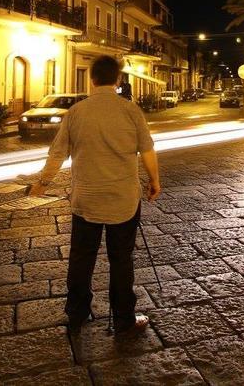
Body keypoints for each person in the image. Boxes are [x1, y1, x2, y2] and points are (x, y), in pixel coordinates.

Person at [29, 55, 160, 336]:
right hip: (123, 200)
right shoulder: (131, 111)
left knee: (81, 258)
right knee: (121, 259)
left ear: (92, 79)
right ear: (118, 80)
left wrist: (43, 182)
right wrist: (154, 181)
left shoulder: (76, 112)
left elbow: (57, 153)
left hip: (85, 199)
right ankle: (124, 317)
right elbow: (147, 149)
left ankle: (77, 312)